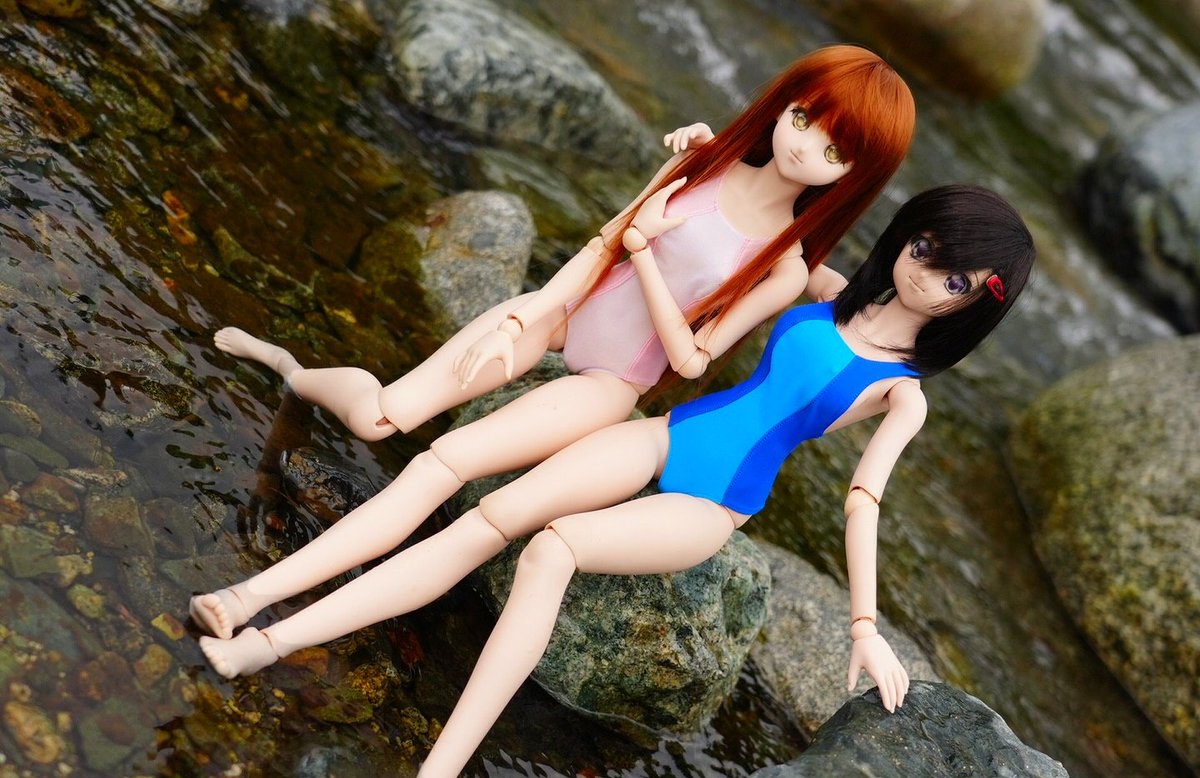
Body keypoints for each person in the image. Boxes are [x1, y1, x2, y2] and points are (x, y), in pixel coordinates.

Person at [198, 184, 1037, 778]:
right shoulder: (828, 289)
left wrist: (863, 625)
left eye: (955, 281)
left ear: (973, 306)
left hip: (714, 501)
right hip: (665, 434)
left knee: (551, 550)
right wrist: (708, 159)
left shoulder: (903, 393)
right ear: (907, 236)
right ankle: (268, 639)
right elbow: (748, 234)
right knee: (489, 516)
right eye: (927, 249)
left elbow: (864, 501)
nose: (929, 276)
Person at [190, 46, 916, 640]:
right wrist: (525, 318)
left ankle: (252, 596)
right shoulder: (702, 162)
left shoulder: (785, 268)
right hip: (563, 312)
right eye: (802, 117)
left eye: (833, 150)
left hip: (613, 380)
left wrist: (646, 254)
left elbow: (692, 359)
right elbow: (603, 245)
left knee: (441, 465)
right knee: (380, 416)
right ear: (782, 103)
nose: (803, 146)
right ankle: (294, 371)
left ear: (853, 177)